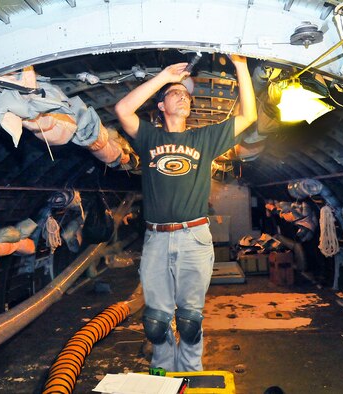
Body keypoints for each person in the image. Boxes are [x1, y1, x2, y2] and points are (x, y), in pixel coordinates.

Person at [114, 54, 256, 372]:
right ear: (161, 107)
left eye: (186, 95)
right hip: (156, 239)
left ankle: (191, 377)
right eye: (174, 93)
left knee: (190, 319)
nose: (183, 96)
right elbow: (123, 109)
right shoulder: (151, 138)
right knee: (155, 322)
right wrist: (164, 77)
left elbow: (248, 116)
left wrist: (242, 67)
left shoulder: (202, 139)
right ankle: (164, 375)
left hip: (194, 236)